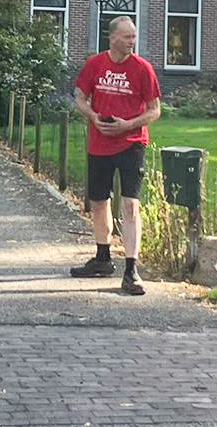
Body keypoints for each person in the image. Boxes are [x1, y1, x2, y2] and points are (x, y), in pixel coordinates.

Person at [69, 15, 161, 294]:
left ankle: (131, 270)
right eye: (127, 37)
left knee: (130, 205)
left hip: (132, 143)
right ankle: (102, 258)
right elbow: (79, 97)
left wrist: (128, 124)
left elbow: (155, 109)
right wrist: (95, 118)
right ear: (112, 38)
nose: (132, 42)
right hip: (99, 143)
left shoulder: (143, 69)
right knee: (98, 202)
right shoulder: (94, 65)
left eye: (134, 37)